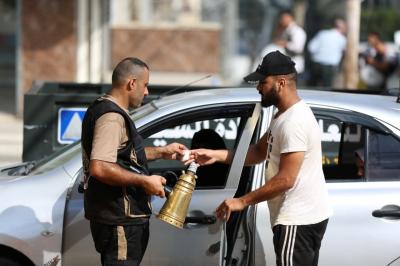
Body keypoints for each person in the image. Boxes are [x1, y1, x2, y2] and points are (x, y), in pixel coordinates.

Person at [192, 51, 332, 266]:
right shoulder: (283, 116)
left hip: (297, 219)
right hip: (301, 217)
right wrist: (214, 155)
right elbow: (258, 151)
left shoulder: (294, 122)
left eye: (262, 82)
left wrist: (242, 201)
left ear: (281, 83)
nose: (258, 88)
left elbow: (286, 179)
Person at [81, 57, 191, 266]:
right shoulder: (112, 117)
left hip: (120, 219)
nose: (147, 92)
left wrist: (161, 152)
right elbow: (101, 166)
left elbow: (121, 156)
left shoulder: (103, 108)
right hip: (120, 221)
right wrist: (144, 181)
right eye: (145, 85)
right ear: (132, 83)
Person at [308, 18, 347, 87]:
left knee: (312, 88)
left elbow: (311, 48)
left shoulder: (322, 33)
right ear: (342, 27)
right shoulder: (342, 39)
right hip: (329, 67)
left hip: (316, 65)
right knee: (327, 90)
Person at [271, 10, 307, 74]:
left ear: (290, 18)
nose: (281, 20)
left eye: (283, 18)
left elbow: (297, 47)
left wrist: (284, 43)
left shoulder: (297, 31)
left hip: (294, 63)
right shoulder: (285, 30)